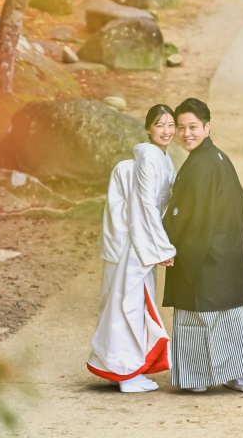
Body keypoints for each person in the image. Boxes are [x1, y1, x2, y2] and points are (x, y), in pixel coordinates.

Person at [164, 97, 243, 393]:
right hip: (228, 250)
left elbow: (187, 215)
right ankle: (241, 374)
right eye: (181, 128)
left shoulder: (202, 165)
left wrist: (169, 244)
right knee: (230, 315)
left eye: (193, 127)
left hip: (205, 253)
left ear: (207, 127)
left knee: (201, 316)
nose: (187, 134)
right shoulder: (216, 158)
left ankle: (198, 379)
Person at [87, 104, 178, 392]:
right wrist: (162, 247)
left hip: (139, 240)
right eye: (160, 125)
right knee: (128, 304)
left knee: (130, 304)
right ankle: (126, 373)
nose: (167, 130)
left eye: (170, 124)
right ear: (148, 129)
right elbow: (145, 207)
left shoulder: (162, 158)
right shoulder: (150, 157)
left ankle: (126, 368)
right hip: (136, 243)